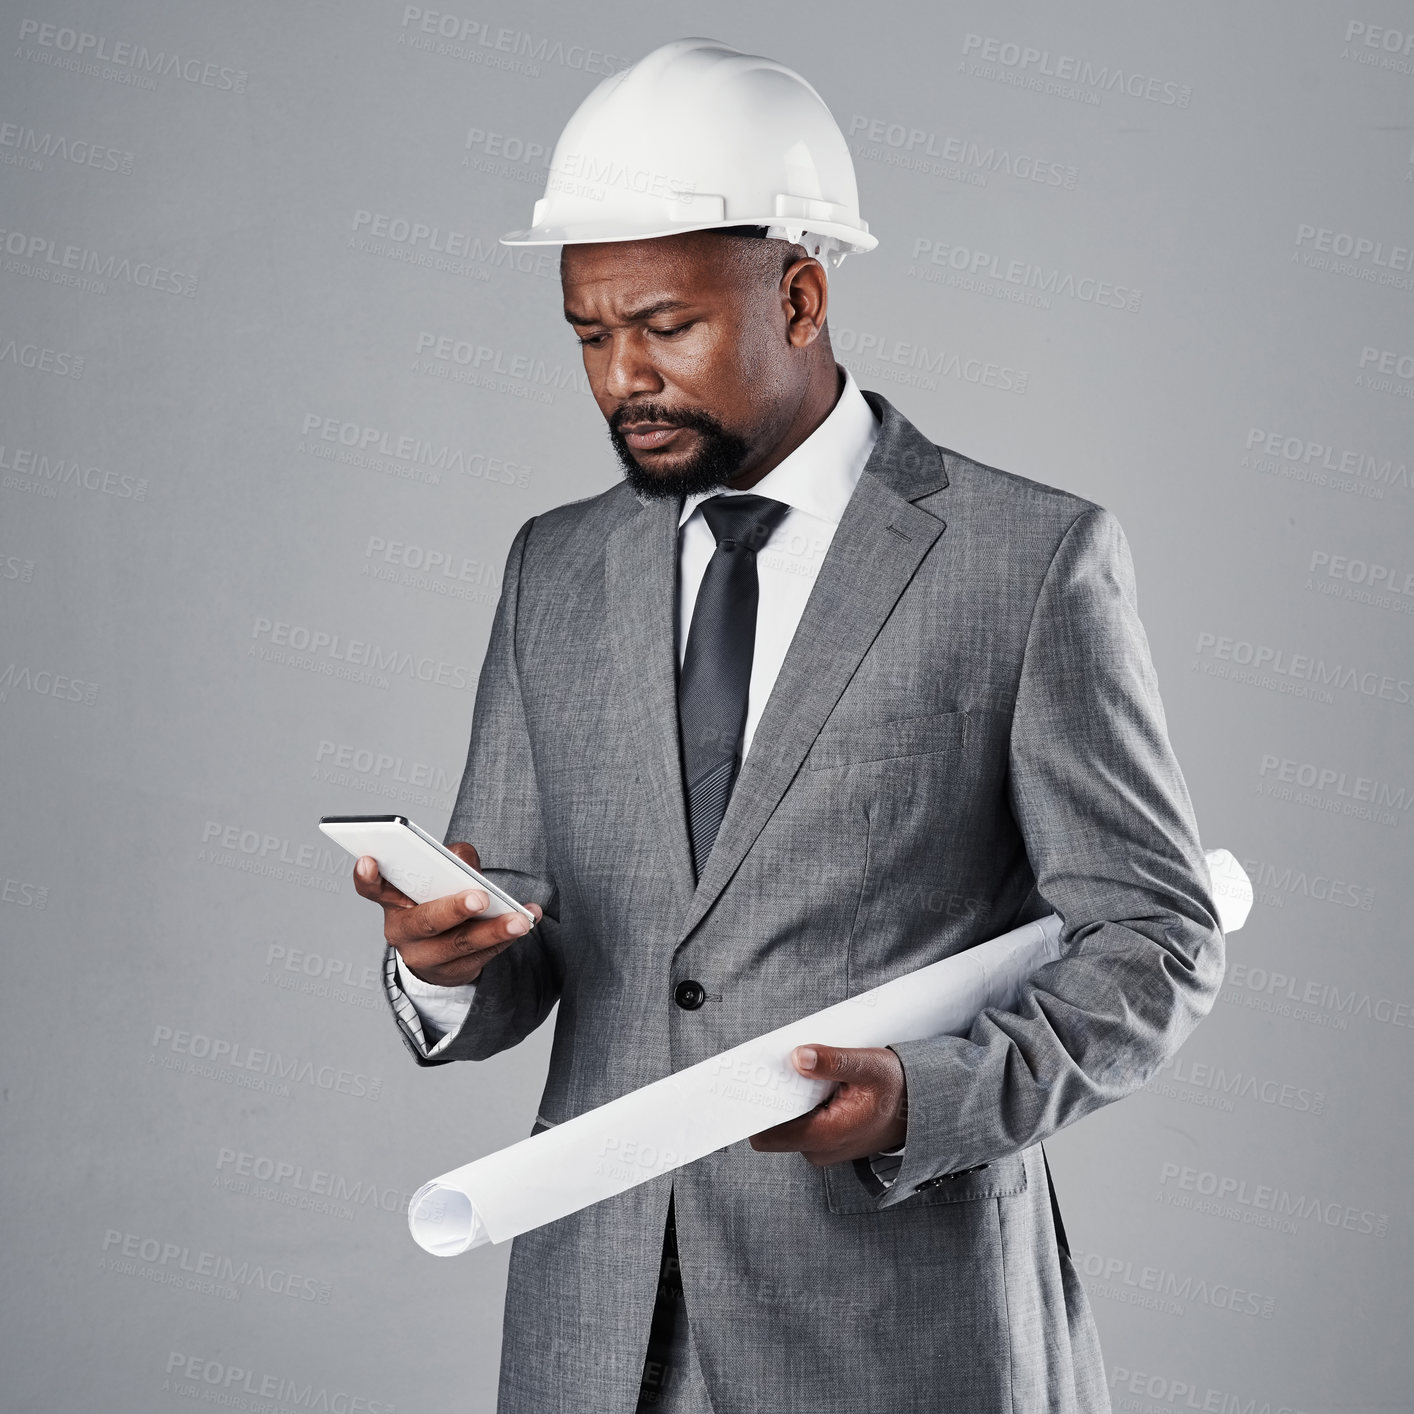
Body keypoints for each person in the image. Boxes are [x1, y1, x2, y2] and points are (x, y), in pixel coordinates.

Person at [352, 37, 1225, 1414]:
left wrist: (926, 1098)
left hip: (902, 1328)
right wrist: (445, 958)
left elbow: (1157, 939)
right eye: (588, 333)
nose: (619, 375)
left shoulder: (1025, 557)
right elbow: (523, 936)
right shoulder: (554, 568)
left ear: (801, 293)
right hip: (598, 1335)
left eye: (663, 325)